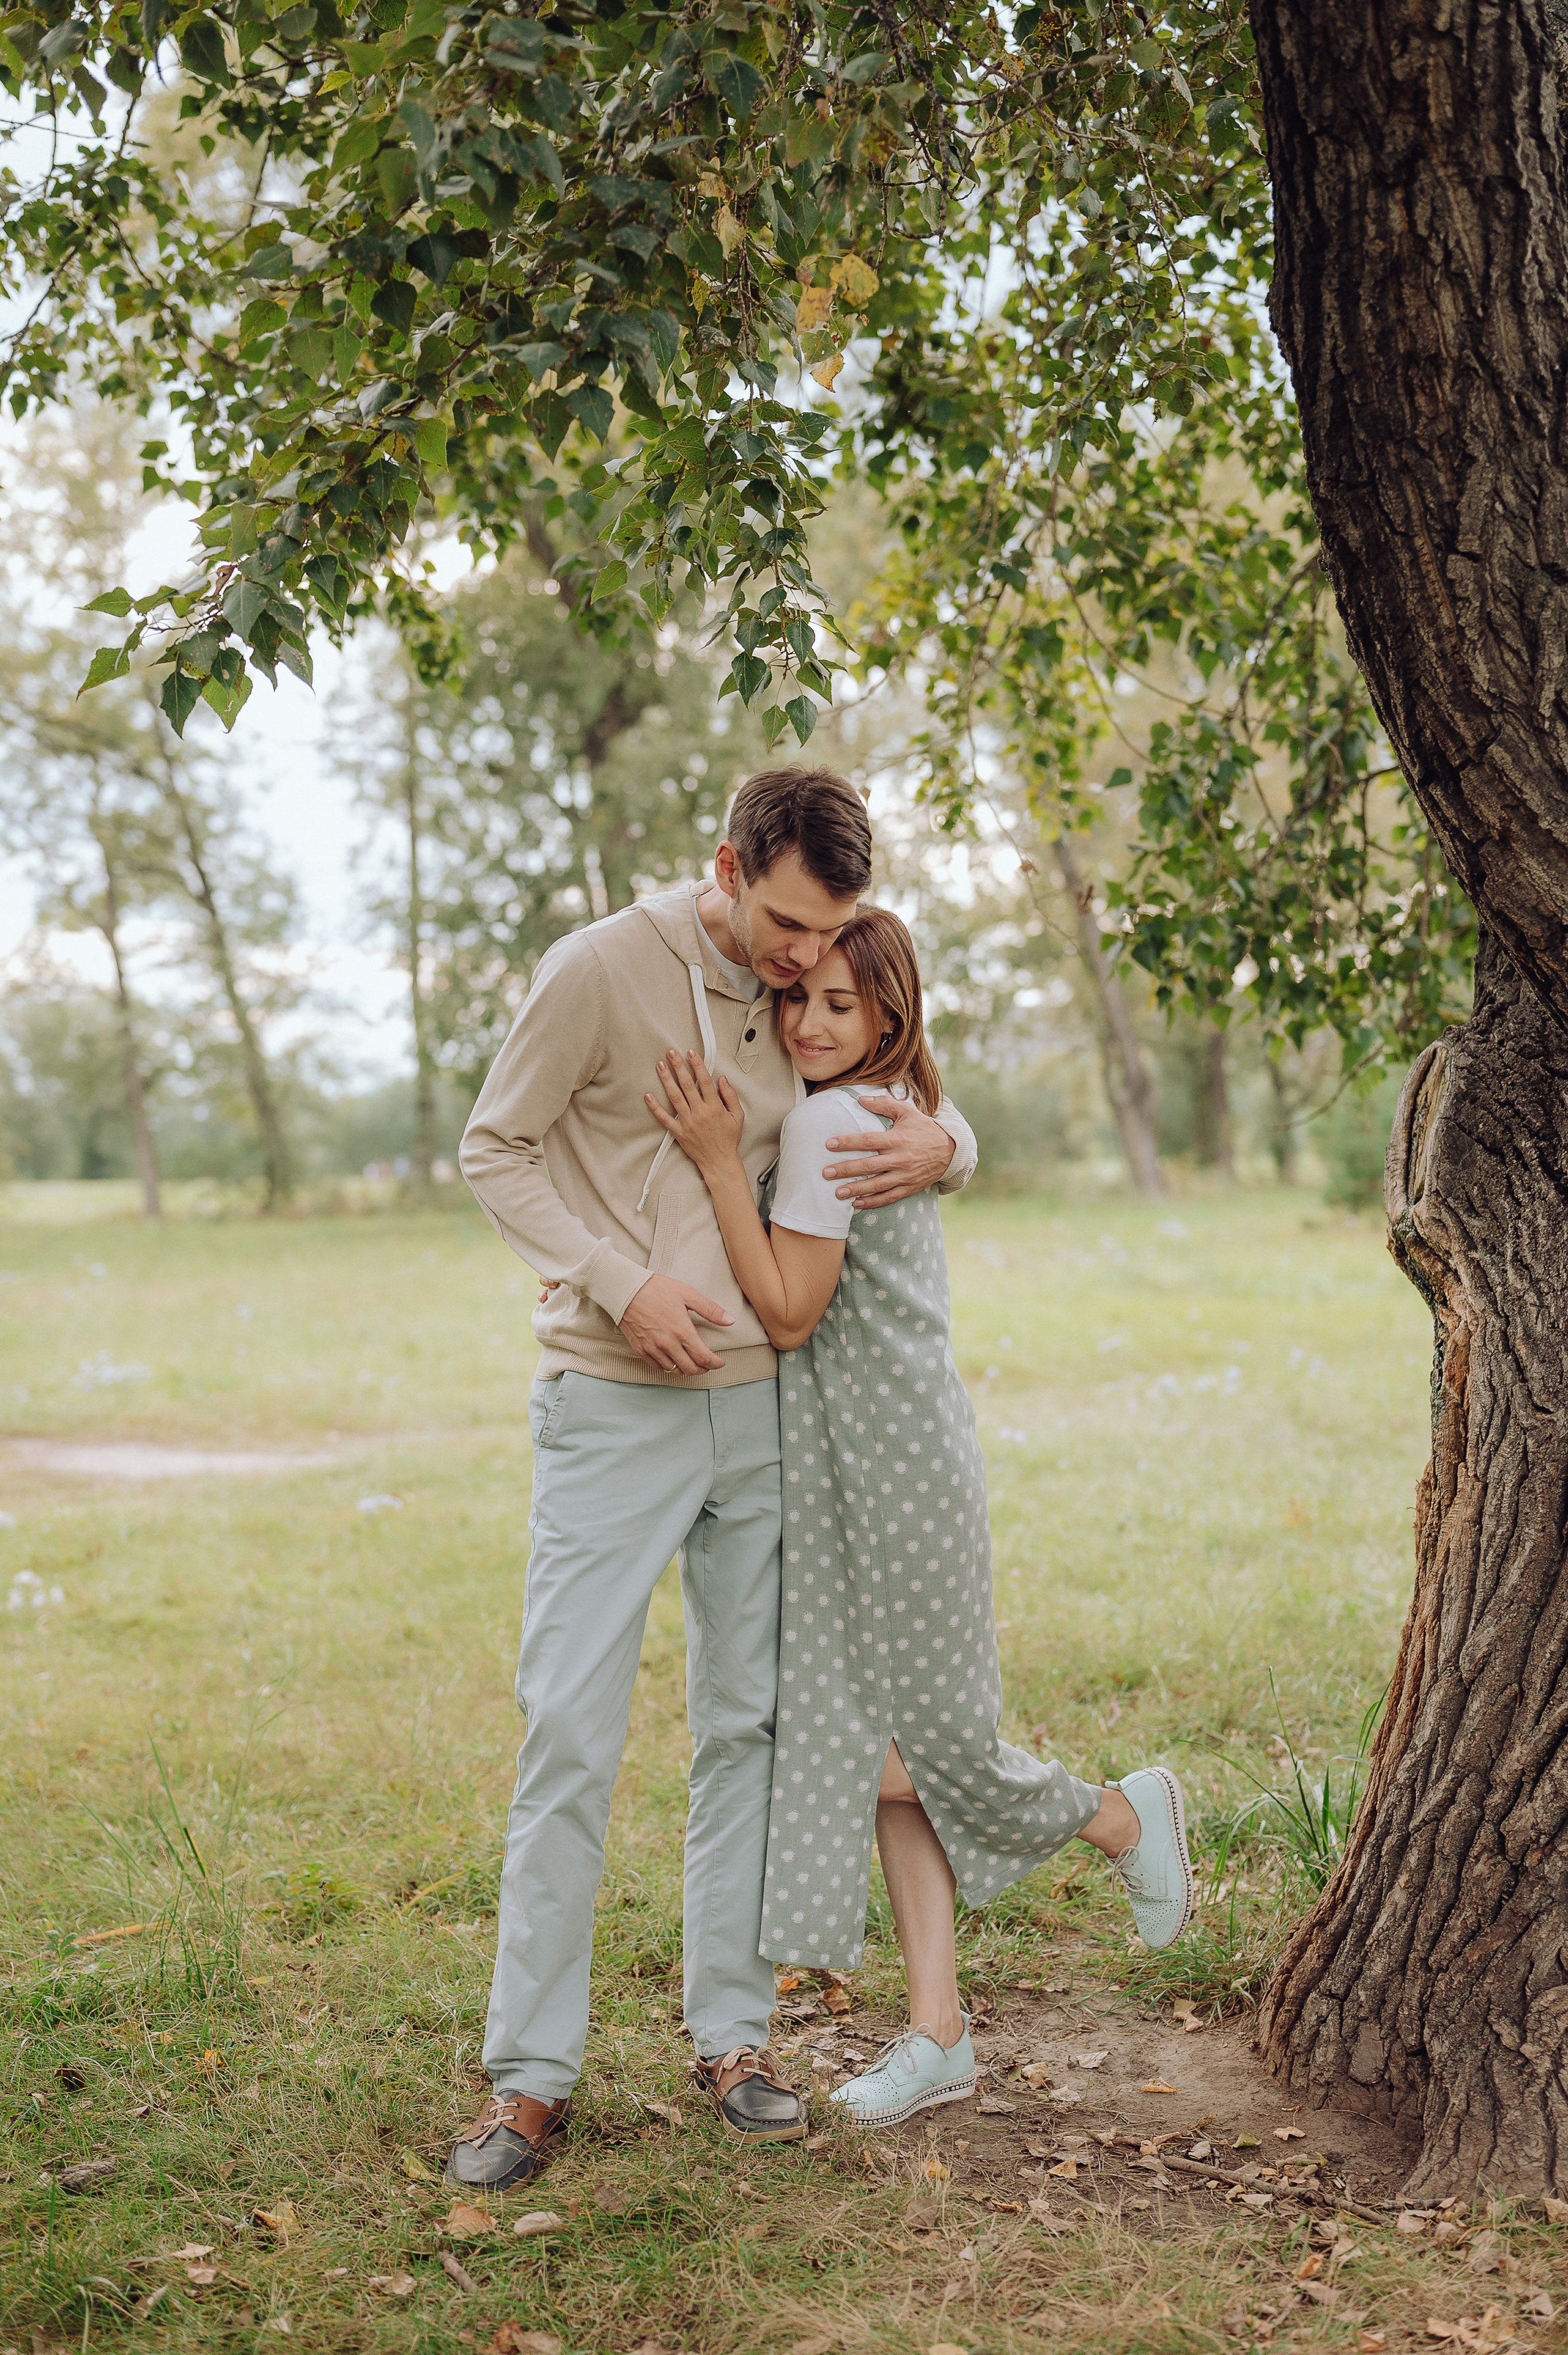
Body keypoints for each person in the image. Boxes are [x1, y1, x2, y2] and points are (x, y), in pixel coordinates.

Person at [447, 766, 980, 2189]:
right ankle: (530, 2076)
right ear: (727, 863)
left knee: (741, 1724)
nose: (808, 959)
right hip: (612, 1400)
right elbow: (492, 1147)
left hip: (762, 1413)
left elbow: (894, 1070)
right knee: (569, 1726)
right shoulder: (598, 969)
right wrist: (621, 1284)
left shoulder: (806, 978)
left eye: (831, 931)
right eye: (790, 923)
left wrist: (955, 1142)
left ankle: (731, 2035)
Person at [646, 905, 1194, 2131]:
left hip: (894, 1472)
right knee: (873, 1750)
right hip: (846, 1473)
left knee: (911, 1748)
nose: (807, 1021)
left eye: (839, 1004)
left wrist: (718, 1160)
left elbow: (788, 1309)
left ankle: (1114, 1812)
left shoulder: (839, 1115)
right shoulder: (873, 1106)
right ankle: (937, 2032)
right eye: (798, 1000)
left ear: (889, 1013)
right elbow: (931, 1150)